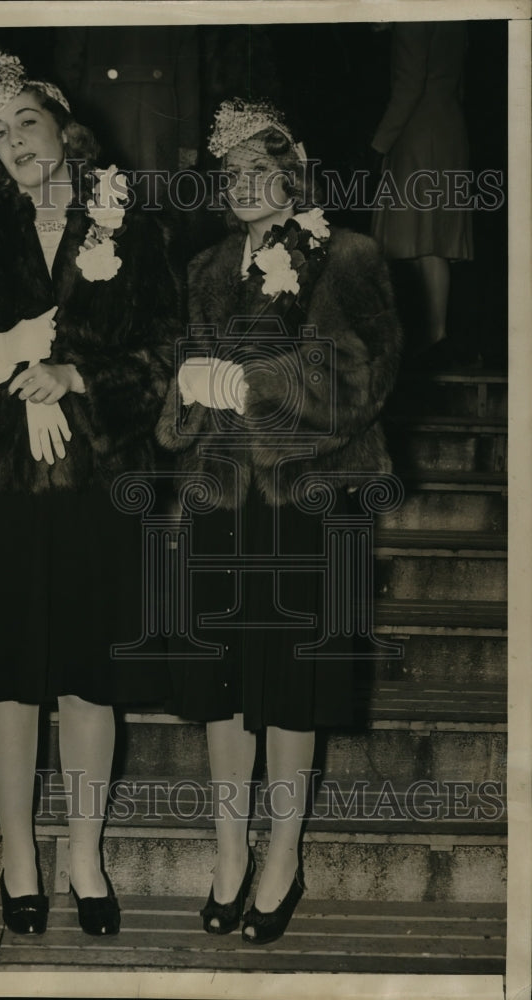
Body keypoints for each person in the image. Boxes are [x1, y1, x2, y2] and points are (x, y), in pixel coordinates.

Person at [0, 48, 180, 937]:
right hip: (5, 487)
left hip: (98, 483)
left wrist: (75, 378)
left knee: (91, 680)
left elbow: (168, 354)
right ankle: (18, 855)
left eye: (26, 120)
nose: (14, 140)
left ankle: (85, 856)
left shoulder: (130, 226)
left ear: (63, 126)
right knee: (8, 679)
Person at [157, 98, 403, 944]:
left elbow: (362, 373)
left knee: (294, 684)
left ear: (293, 173)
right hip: (222, 500)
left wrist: (254, 384)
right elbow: (178, 384)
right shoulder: (204, 266)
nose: (241, 183)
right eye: (229, 171)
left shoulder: (349, 254)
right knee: (223, 685)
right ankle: (230, 851)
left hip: (309, 500)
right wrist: (186, 388)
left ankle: (284, 857)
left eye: (259, 168)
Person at [370, 22, 474, 365]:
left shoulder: (413, 19)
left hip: (418, 132)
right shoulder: (453, 18)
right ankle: (434, 334)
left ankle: (433, 335)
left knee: (421, 239)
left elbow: (409, 87)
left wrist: (378, 145)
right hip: (447, 126)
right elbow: (458, 84)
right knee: (430, 239)